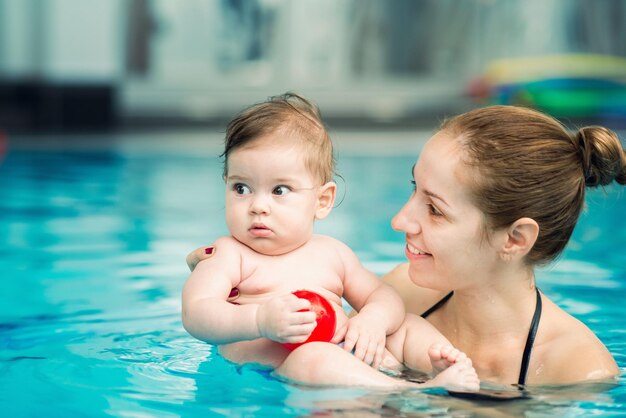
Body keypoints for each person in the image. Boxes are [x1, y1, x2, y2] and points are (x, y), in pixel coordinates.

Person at [187, 104, 623, 388]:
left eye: (433, 209)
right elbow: (319, 355)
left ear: (514, 238)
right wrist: (238, 300)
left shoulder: (578, 373)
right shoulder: (409, 290)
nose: (399, 220)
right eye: (413, 188)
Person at [181, 92, 480, 391]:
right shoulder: (229, 255)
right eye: (241, 188)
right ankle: (414, 390)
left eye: (280, 190)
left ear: (322, 201)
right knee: (312, 357)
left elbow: (382, 295)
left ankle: (441, 369)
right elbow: (196, 313)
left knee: (407, 327)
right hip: (282, 373)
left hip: (349, 358)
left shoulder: (332, 253)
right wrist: (259, 319)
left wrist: (373, 322)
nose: (258, 206)